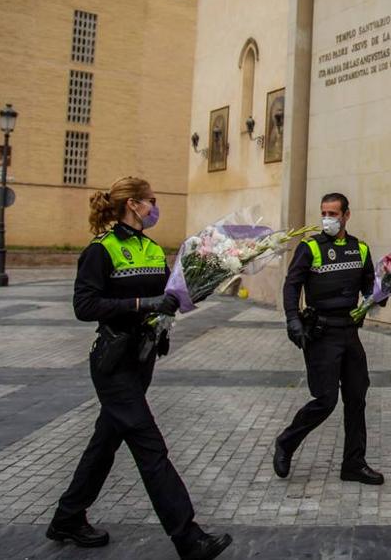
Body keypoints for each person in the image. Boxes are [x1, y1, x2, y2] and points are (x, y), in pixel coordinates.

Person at [46, 176, 231, 560]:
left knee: (105, 442)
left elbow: (169, 295)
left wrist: (208, 278)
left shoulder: (150, 248)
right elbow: (85, 306)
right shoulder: (101, 250)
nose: (154, 207)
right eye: (151, 201)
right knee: (150, 447)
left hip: (142, 359)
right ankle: (188, 537)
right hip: (113, 364)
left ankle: (67, 518)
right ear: (133, 204)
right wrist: (140, 305)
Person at [273, 192, 385, 485]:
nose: (327, 219)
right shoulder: (309, 247)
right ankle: (286, 442)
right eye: (324, 213)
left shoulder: (360, 248)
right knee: (325, 400)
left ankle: (354, 464)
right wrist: (292, 319)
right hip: (321, 334)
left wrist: (383, 293)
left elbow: (370, 287)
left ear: (347, 215)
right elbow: (291, 284)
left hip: (349, 332)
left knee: (357, 398)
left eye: (333, 214)